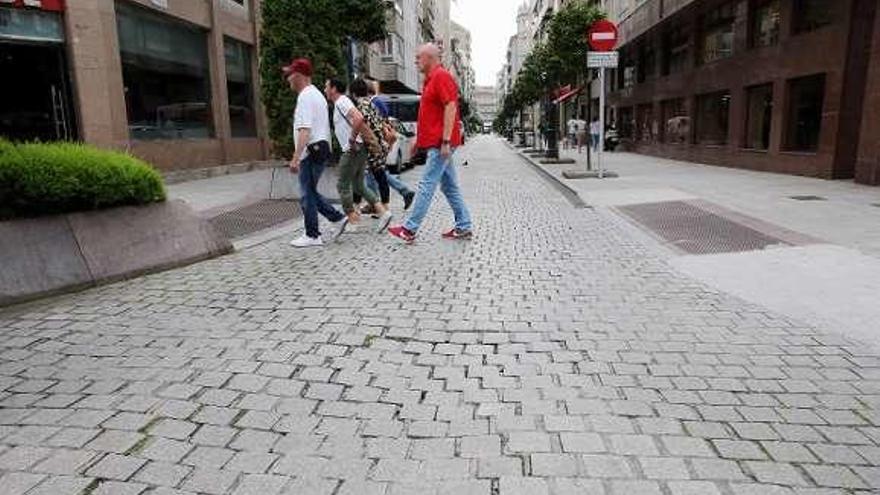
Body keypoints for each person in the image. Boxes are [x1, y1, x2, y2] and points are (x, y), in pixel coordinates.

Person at [388, 43, 472, 243]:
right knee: (449, 187)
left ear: (430, 58)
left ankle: (409, 229)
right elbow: (431, 114)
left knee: (426, 184)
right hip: (437, 142)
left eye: (418, 57)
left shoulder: (441, 77)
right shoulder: (430, 80)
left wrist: (444, 141)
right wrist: (419, 139)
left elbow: (451, 107)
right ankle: (464, 226)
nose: (416, 60)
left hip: (440, 143)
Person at [284, 58, 347, 248]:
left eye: (290, 75)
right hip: (320, 148)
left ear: (299, 76)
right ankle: (336, 218)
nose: (288, 79)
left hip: (312, 150)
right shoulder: (317, 95)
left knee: (306, 193)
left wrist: (296, 157)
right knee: (310, 191)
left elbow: (305, 130)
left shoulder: (305, 96)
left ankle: (313, 234)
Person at [324, 78, 392, 233]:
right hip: (360, 148)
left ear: (334, 89)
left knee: (342, 184)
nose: (325, 89)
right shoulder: (342, 102)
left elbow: (359, 118)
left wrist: (352, 138)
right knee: (359, 185)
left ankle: (352, 221)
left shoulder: (342, 102)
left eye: (326, 86)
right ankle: (383, 212)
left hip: (353, 148)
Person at [359, 79, 416, 212]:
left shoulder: (374, 102)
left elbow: (376, 122)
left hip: (377, 143)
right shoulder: (377, 101)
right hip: (380, 142)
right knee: (377, 173)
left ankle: (377, 202)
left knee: (375, 173)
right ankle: (398, 194)